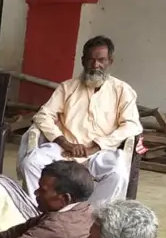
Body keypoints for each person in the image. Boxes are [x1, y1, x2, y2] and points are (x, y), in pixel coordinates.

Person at [19, 36, 142, 207]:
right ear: (83, 61)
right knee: (31, 163)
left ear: (110, 61)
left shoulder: (122, 90)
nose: (95, 65)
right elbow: (43, 115)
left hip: (100, 153)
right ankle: (38, 216)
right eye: (90, 60)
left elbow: (132, 125)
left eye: (101, 60)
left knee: (118, 173)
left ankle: (90, 219)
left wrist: (97, 145)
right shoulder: (67, 87)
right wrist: (65, 143)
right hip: (64, 151)